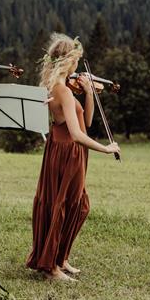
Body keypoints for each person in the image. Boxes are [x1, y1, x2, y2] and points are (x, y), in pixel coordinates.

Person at [26, 33, 120, 280]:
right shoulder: (63, 92)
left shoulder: (61, 88)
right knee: (63, 206)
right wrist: (106, 149)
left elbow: (86, 121)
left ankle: (60, 258)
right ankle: (51, 267)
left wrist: (89, 93)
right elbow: (77, 134)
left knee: (76, 205)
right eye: (77, 59)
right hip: (68, 151)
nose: (79, 65)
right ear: (68, 61)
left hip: (68, 151)